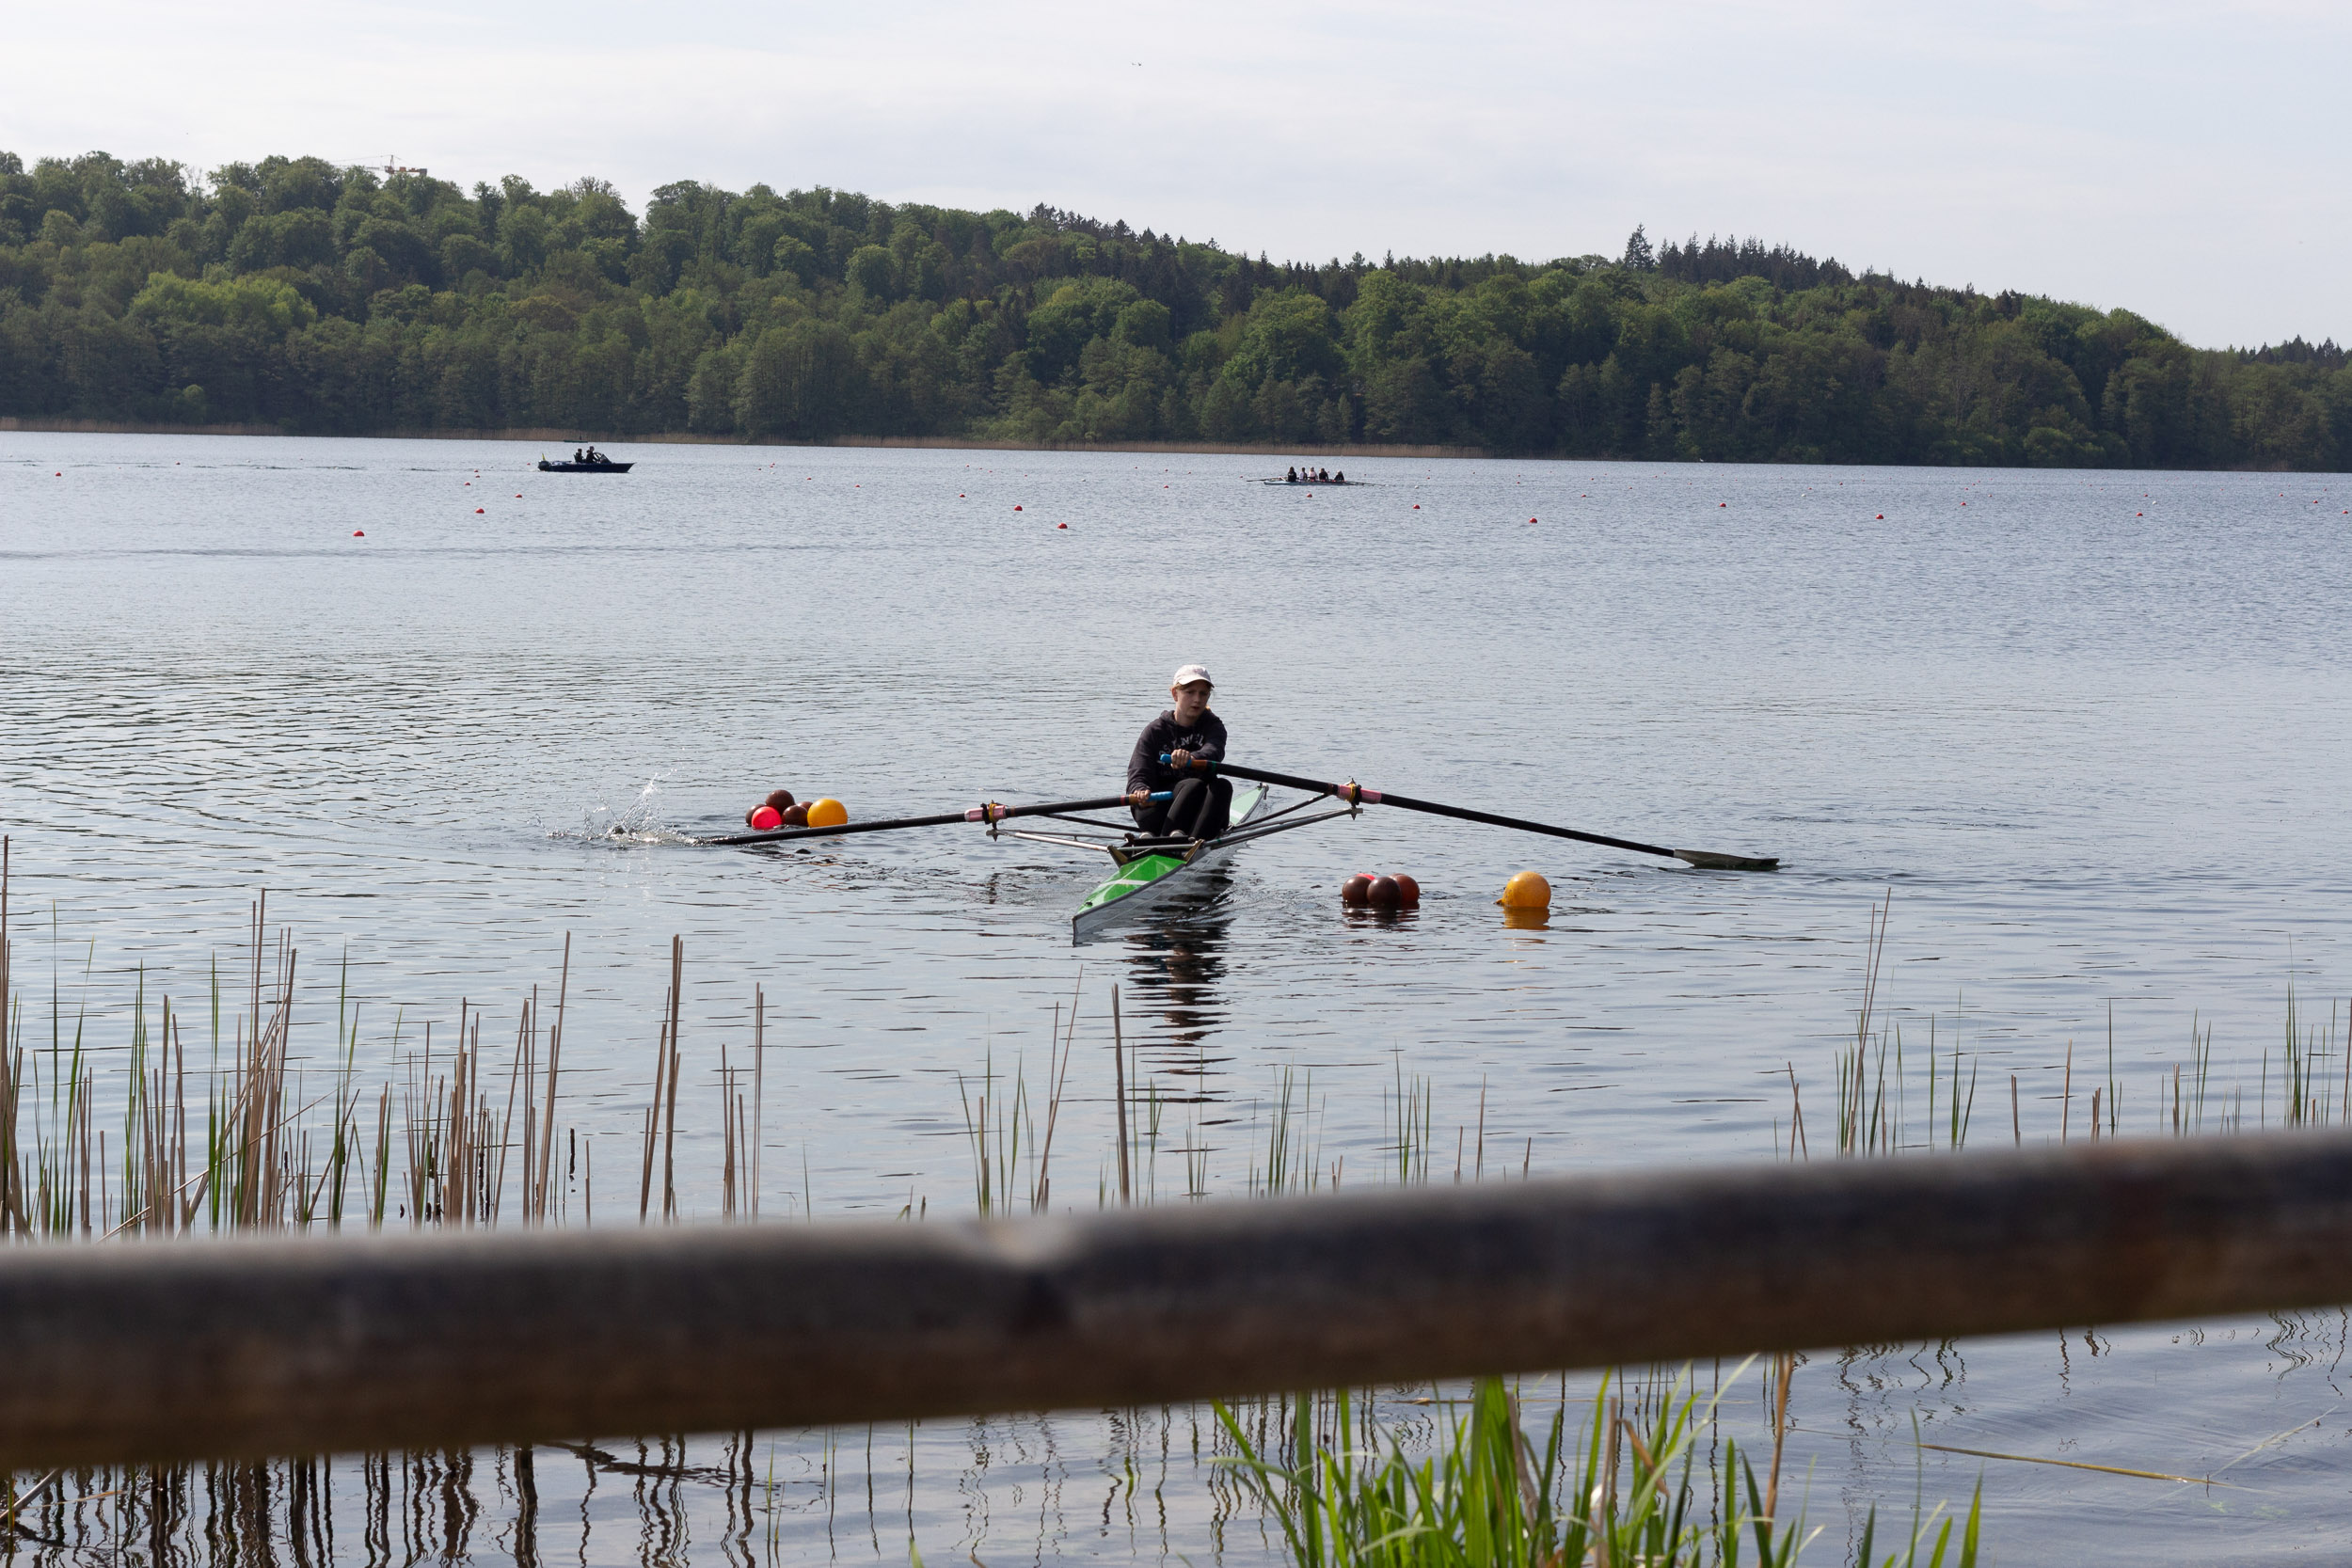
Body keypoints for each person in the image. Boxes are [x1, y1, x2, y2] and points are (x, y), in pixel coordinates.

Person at [1126, 665, 1231, 844]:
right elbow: (1138, 772)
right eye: (1190, 692)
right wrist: (1140, 790)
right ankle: (1167, 842)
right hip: (1156, 811)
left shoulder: (1214, 727)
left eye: (1203, 693)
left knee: (1222, 787)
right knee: (1193, 785)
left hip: (1196, 814)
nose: (1197, 699)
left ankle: (1190, 845)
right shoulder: (1154, 731)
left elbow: (1214, 751)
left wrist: (1192, 759)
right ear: (1175, 694)